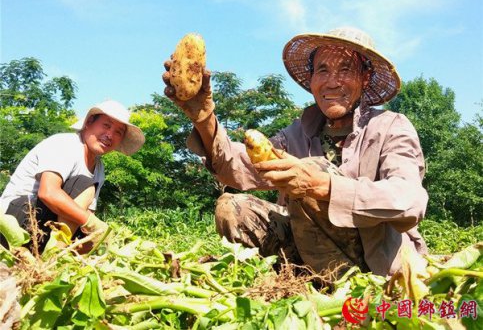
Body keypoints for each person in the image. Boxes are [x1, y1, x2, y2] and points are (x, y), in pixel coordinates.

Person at [163, 27, 428, 277]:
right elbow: (239, 167)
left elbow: (409, 200)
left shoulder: (391, 127)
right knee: (232, 208)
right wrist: (203, 117)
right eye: (322, 70)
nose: (332, 82)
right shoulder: (300, 131)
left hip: (373, 264)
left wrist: (321, 185)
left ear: (365, 78)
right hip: (308, 256)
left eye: (345, 69)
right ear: (312, 80)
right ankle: (299, 278)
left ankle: (343, 289)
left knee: (313, 169)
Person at [0, 100, 145, 251]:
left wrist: (99, 235)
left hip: (45, 229)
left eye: (118, 132)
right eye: (106, 125)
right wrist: (93, 223)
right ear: (89, 122)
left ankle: (51, 256)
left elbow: (86, 214)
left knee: (92, 242)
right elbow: (48, 192)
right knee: (84, 184)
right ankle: (54, 252)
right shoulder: (66, 144)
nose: (110, 135)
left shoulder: (99, 168)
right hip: (15, 220)